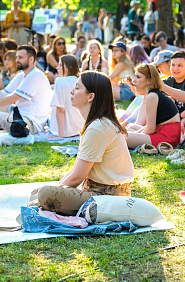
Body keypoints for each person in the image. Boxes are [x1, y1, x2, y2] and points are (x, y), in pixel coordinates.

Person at [35, 71, 135, 216]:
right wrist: (56, 188)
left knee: (44, 194)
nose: (71, 91)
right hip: (96, 192)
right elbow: (76, 170)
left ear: (90, 96)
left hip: (107, 198)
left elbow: (77, 177)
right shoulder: (96, 124)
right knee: (38, 192)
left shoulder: (98, 127)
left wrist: (52, 192)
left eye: (76, 88)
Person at [124, 64, 181, 149]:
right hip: (162, 132)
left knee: (122, 138)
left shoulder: (152, 96)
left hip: (166, 138)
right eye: (135, 76)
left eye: (138, 77)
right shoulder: (151, 94)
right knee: (130, 127)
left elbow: (150, 129)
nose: (134, 81)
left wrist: (136, 136)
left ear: (149, 80)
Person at [50, 55, 85, 138]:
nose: (57, 67)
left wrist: (60, 135)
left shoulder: (60, 81)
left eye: (61, 65)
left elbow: (60, 109)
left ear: (69, 67)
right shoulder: (82, 80)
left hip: (66, 130)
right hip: (81, 128)